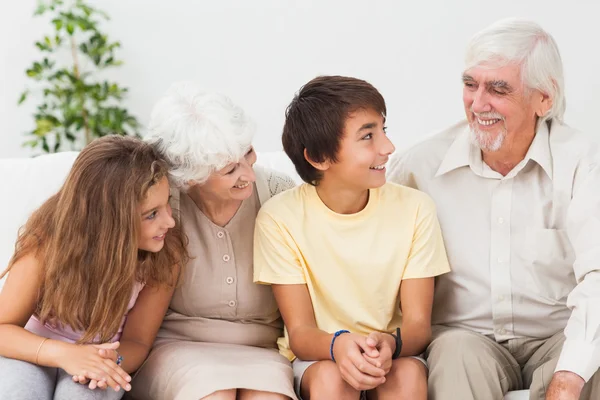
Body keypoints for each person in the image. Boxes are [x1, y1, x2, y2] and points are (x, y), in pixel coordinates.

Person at [387, 18, 600, 400]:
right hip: (465, 338)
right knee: (455, 354)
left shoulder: (584, 163)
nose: (478, 103)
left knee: (591, 362)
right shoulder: (419, 165)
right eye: (471, 85)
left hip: (557, 336)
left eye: (498, 89)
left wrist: (568, 378)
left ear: (544, 99)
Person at [253, 75, 451, 400]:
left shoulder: (415, 209)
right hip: (320, 355)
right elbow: (301, 333)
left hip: (393, 352)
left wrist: (389, 344)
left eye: (383, 130)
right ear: (319, 158)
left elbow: (418, 325)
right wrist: (339, 344)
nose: (388, 147)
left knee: (407, 377)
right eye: (368, 136)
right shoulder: (279, 218)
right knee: (332, 380)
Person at [129, 82, 297, 400]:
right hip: (177, 350)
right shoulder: (165, 208)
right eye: (231, 169)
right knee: (214, 395)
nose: (248, 173)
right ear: (191, 177)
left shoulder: (279, 191)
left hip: (261, 351)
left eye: (248, 152)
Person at [0, 135, 187, 400]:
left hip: (101, 360)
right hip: (34, 350)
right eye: (152, 214)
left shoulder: (165, 255)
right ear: (109, 221)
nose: (169, 221)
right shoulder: (46, 240)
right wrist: (62, 354)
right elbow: (3, 328)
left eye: (167, 203)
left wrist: (112, 359)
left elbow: (139, 342)